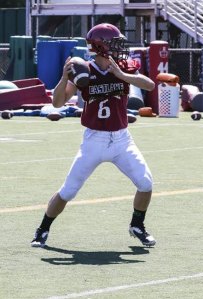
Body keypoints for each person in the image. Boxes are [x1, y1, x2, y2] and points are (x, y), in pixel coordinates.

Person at [31, 23, 156, 248]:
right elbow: (57, 103)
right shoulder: (83, 69)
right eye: (114, 43)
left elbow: (149, 84)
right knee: (68, 191)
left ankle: (137, 225)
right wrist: (62, 78)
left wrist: (121, 75)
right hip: (94, 140)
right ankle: (43, 229)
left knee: (146, 183)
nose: (120, 47)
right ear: (100, 46)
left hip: (121, 139)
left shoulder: (124, 66)